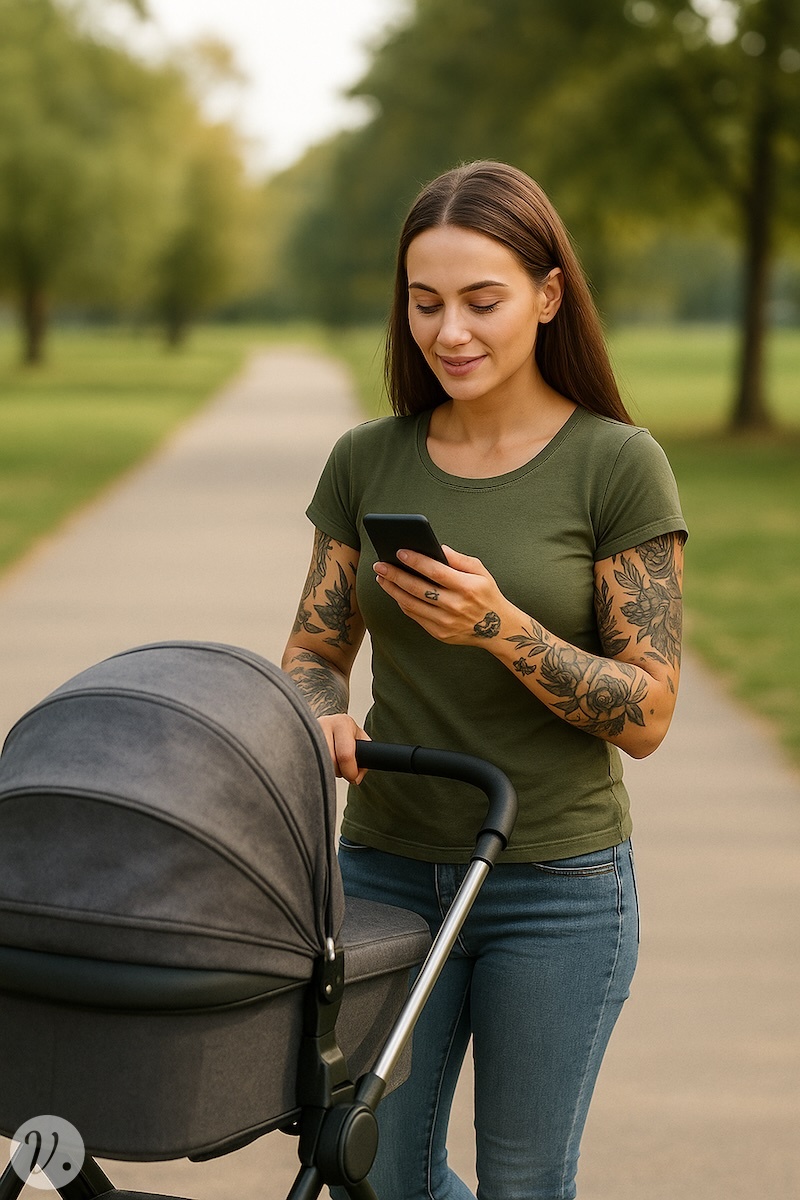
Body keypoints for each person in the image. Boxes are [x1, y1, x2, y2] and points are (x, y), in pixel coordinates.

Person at [282, 160, 687, 1200]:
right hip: (382, 872)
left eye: (480, 301)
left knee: (521, 1184)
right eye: (424, 304)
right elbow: (315, 651)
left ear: (547, 297)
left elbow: (645, 711)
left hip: (553, 886)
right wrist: (319, 713)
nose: (448, 331)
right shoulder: (367, 460)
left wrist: (499, 626)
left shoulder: (615, 463)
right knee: (381, 1179)